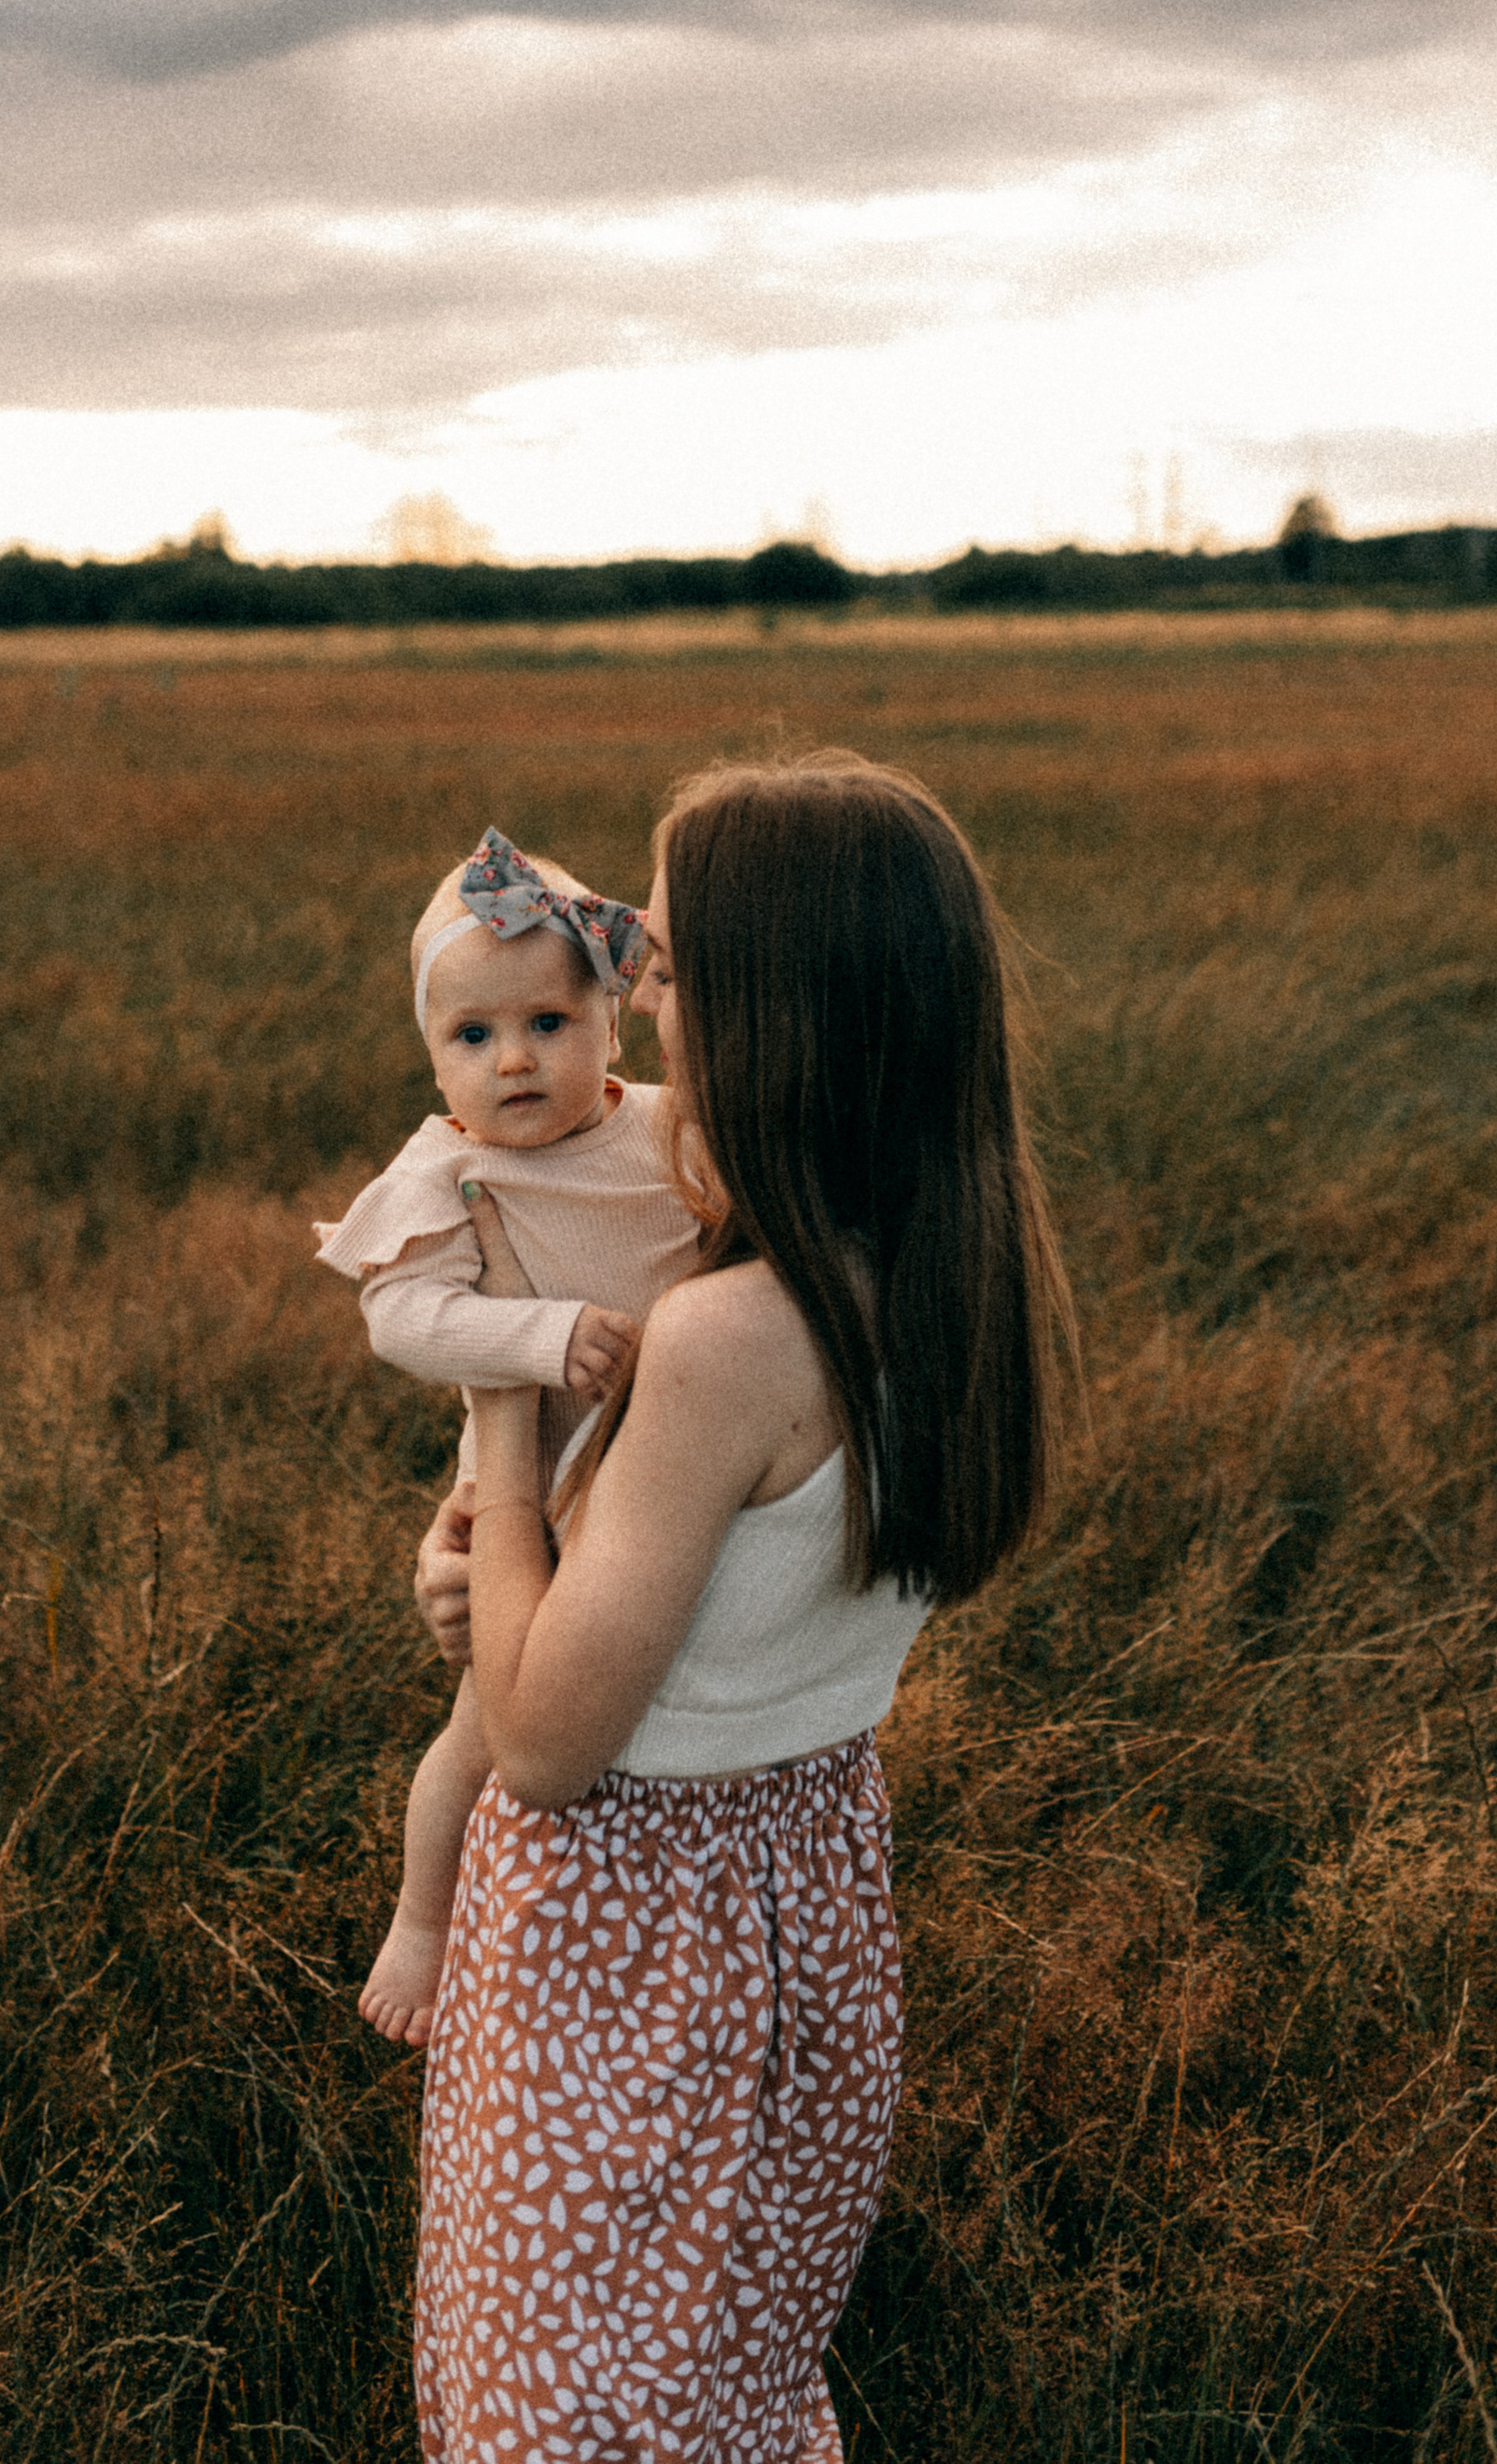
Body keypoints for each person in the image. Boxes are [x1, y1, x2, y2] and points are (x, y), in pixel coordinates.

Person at [409, 752, 1076, 2464]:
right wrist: (510, 1560)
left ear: (776, 1014)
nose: (638, 992)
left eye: (672, 963)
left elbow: (544, 1745)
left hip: (627, 1930)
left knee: (560, 2412)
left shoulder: (726, 1339)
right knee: (727, 2394)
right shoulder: (951, 1271)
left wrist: (499, 1411)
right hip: (810, 1894)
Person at [315, 825, 699, 2043]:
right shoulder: (448, 1170)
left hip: (668, 1466)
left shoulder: (665, 1129)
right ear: (434, 1058)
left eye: (548, 1022)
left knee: (643, 1693)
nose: (515, 1060)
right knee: (485, 1726)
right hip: (527, 1494)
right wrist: (540, 1338)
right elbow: (401, 1317)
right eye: (472, 1038)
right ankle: (422, 1920)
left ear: (614, 1025)